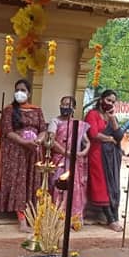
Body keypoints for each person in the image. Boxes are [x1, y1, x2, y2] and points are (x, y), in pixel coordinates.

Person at [0, 78, 46, 231]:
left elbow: (43, 129)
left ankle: (33, 217)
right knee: (19, 184)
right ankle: (22, 220)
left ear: (29, 93)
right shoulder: (9, 110)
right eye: (17, 90)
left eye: (23, 90)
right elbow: (8, 132)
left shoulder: (37, 110)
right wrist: (24, 142)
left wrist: (38, 140)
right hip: (16, 152)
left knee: (33, 182)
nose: (19, 93)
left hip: (34, 151)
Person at [86, 89, 125, 230]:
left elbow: (119, 136)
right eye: (108, 100)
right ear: (101, 99)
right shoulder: (92, 114)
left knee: (113, 186)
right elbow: (94, 134)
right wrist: (109, 138)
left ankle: (114, 217)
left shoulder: (111, 116)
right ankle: (110, 219)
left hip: (112, 157)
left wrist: (113, 118)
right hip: (97, 155)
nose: (110, 103)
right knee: (102, 186)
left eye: (113, 102)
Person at [49, 96, 89, 228]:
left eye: (68, 104)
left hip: (74, 162)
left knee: (74, 190)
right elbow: (51, 140)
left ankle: (73, 219)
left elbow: (86, 142)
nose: (65, 107)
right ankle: (57, 218)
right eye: (63, 104)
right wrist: (66, 153)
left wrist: (82, 153)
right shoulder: (55, 121)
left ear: (74, 108)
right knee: (58, 188)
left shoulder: (78, 124)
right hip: (59, 160)